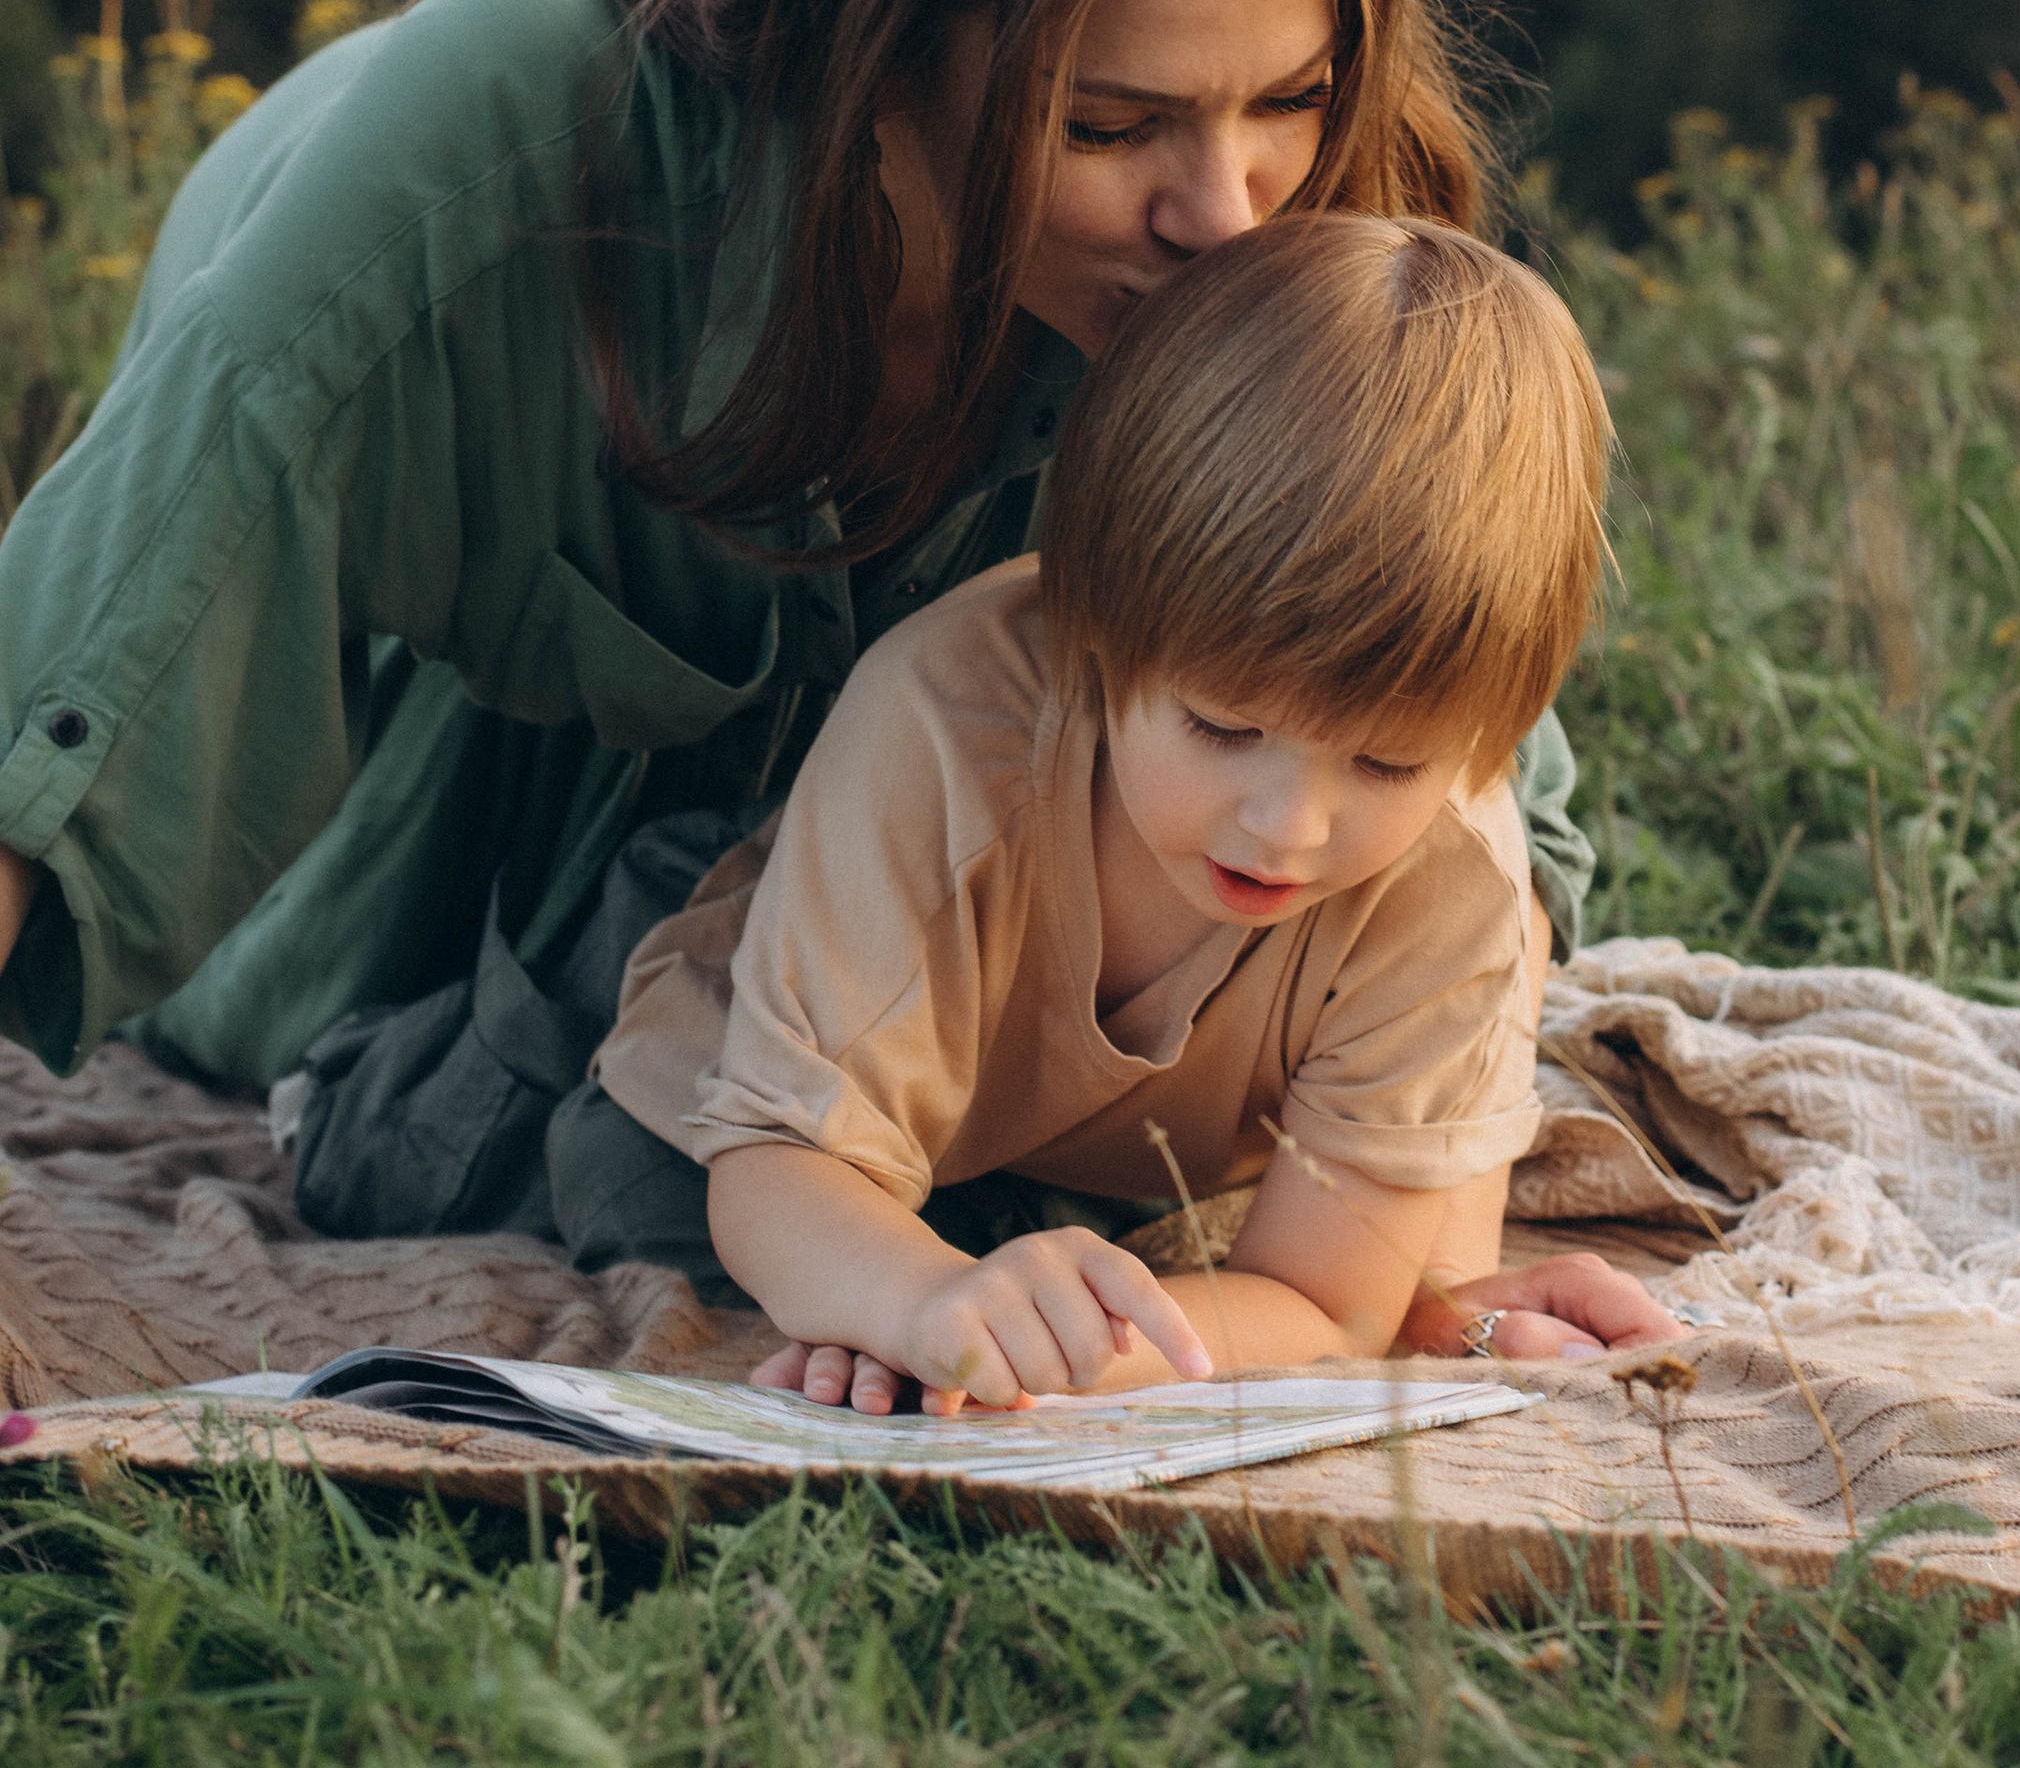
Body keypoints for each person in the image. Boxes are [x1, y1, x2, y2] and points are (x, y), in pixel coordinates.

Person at [0, 0, 1666, 1357]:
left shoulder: (1273, 227)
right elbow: (79, 690)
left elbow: (1463, 766)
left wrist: (1410, 1237)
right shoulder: (498, 145)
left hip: (888, 1017)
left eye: (1291, 99)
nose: (1227, 210)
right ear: (887, 46)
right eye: (1106, 125)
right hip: (432, 961)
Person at [599, 213, 1660, 1403]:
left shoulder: (1454, 869)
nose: (1286, 828)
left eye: (1386, 767)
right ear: (1095, 633)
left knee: (1011, 1258)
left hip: (1075, 1161)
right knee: (590, 1196)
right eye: (1220, 728)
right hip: (756, 1061)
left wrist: (1040, 1350)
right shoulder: (942, 730)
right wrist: (914, 1299)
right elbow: (777, 1165)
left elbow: (1322, 1302)